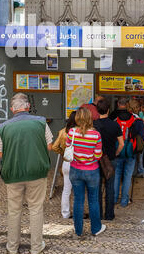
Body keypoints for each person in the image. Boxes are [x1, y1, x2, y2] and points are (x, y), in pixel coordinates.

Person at [0, 93, 53, 254]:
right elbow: (49, 146)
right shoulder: (41, 122)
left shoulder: (4, 127)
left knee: (14, 210)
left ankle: (12, 247)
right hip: (37, 172)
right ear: (27, 107)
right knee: (35, 208)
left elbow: (0, 152)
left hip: (13, 173)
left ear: (12, 109)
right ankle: (35, 247)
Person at [66, 107, 106, 237]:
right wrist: (89, 159)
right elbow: (98, 155)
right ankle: (96, 228)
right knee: (93, 200)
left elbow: (69, 149)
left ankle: (78, 230)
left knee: (78, 200)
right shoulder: (96, 135)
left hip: (75, 170)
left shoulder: (71, 132)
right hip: (92, 171)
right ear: (90, 118)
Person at [93, 98, 124, 221]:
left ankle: (99, 214)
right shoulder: (114, 124)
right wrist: (115, 153)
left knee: (97, 188)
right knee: (110, 187)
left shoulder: (93, 124)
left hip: (96, 160)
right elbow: (121, 144)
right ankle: (109, 215)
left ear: (97, 110)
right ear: (108, 110)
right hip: (111, 159)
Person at [113, 97, 144, 208]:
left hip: (118, 151)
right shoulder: (136, 121)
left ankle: (114, 198)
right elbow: (142, 137)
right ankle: (124, 201)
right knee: (127, 177)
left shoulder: (116, 120)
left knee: (116, 175)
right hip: (131, 153)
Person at [52, 111, 77, 219]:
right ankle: (77, 212)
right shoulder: (80, 132)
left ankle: (65, 213)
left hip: (67, 162)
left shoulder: (63, 131)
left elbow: (54, 147)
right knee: (78, 190)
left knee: (66, 190)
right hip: (77, 162)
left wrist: (64, 154)